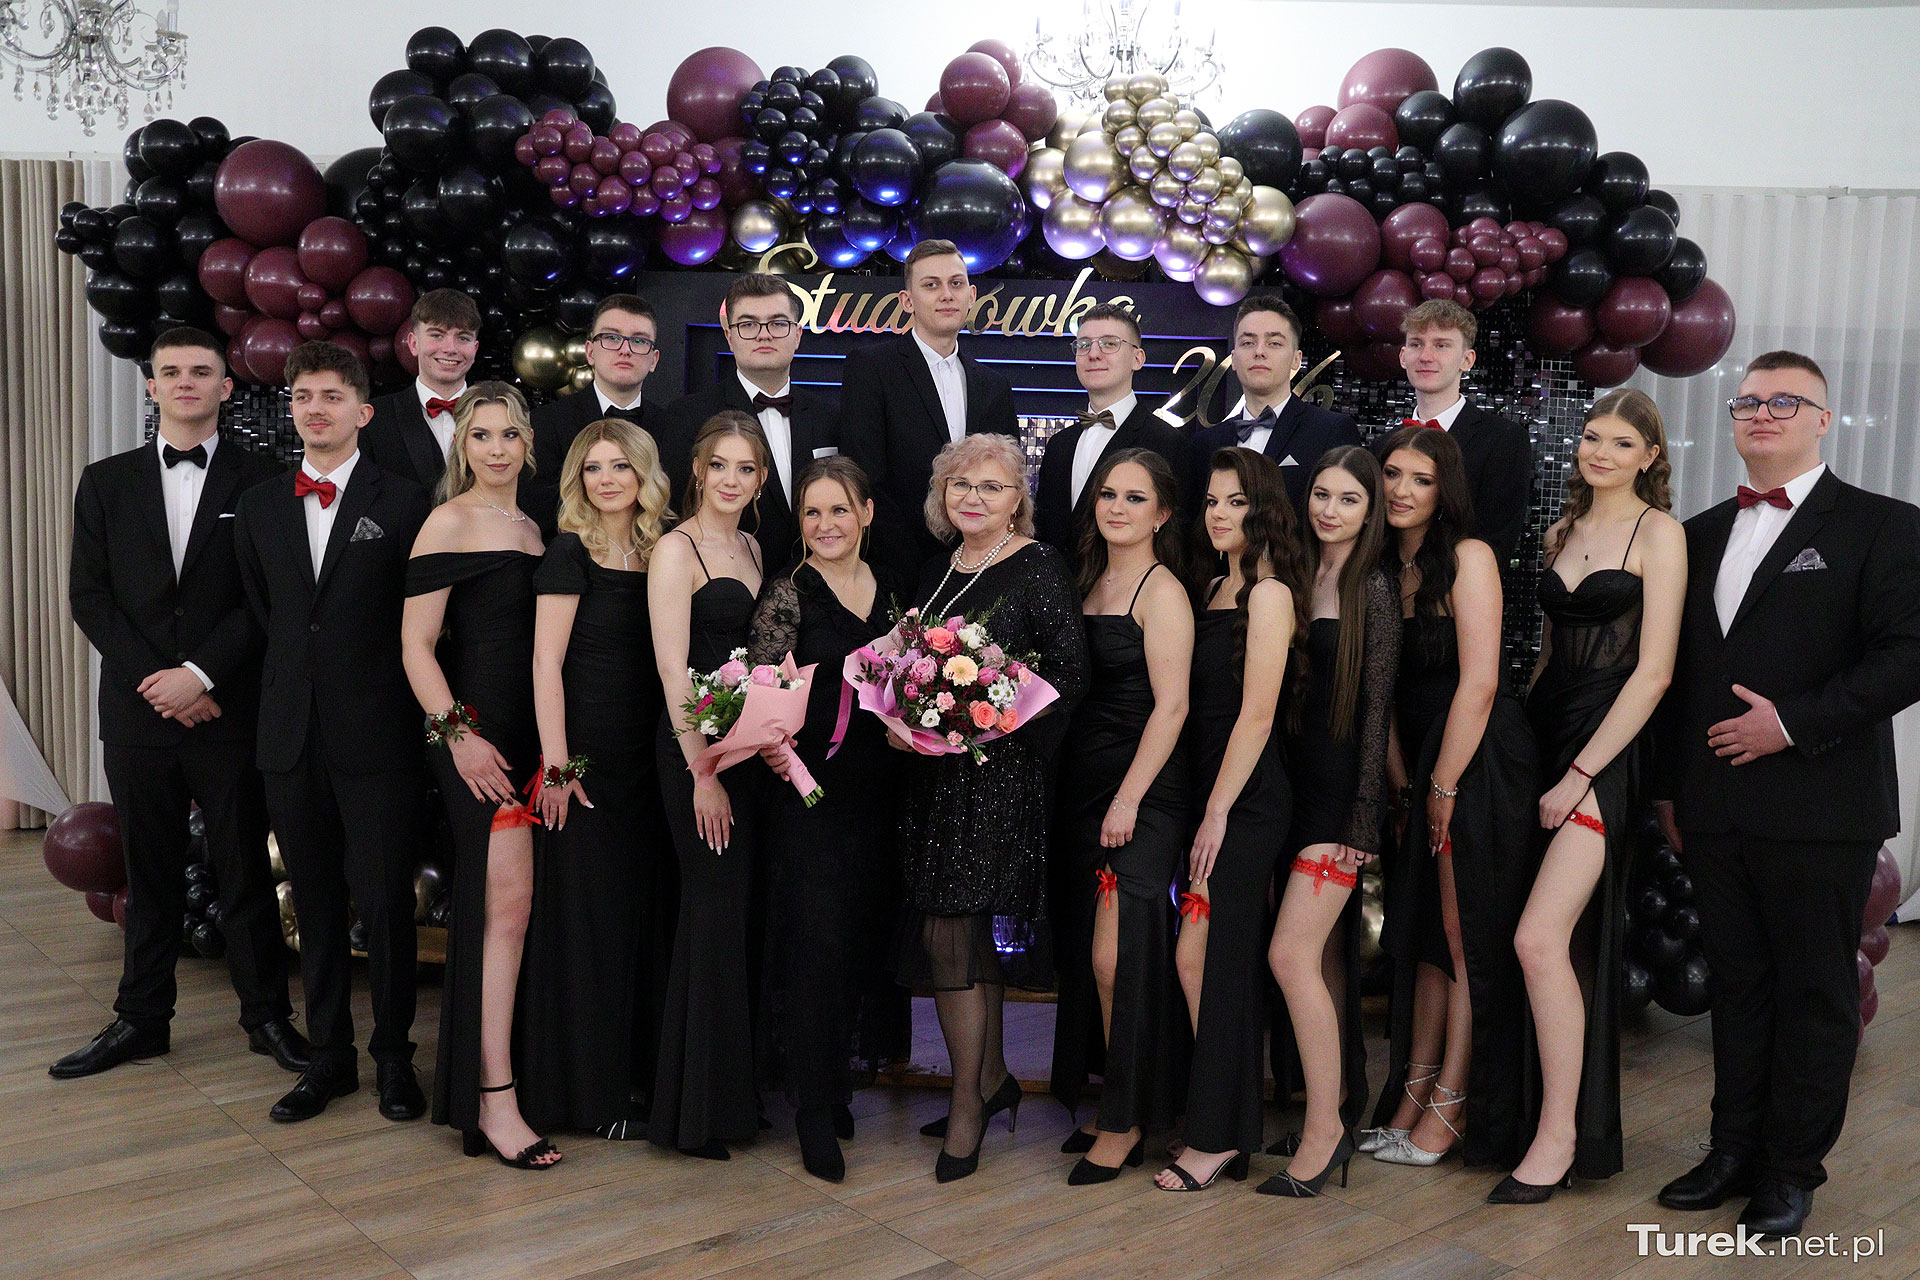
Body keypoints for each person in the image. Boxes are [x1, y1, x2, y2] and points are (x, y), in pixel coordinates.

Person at [1653, 351, 1920, 1240]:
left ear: (1823, 419)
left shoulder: (1884, 525)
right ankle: (1731, 1150)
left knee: (1814, 992)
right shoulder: (1693, 534)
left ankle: (1792, 1169)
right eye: (1748, 402)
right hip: (1713, 806)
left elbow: (1907, 656)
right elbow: (1678, 676)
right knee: (1738, 986)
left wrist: (1793, 725)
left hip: (1820, 804)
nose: (1762, 414)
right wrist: (1670, 791)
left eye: (1784, 401)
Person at [55, 326, 303, 1081]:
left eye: (201, 371)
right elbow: (90, 599)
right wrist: (163, 683)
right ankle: (141, 1018)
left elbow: (269, 597)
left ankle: (267, 1017)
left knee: (244, 869)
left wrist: (199, 675)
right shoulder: (105, 481)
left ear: (226, 388)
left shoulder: (266, 479)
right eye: (172, 372)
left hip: (229, 709)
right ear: (152, 386)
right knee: (149, 869)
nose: (186, 382)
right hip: (139, 712)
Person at [232, 342, 430, 1124]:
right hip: (289, 735)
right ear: (291, 408)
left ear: (363, 411)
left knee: (384, 904)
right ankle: (330, 1059)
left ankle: (394, 1058)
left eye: (332, 396)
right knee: (311, 904)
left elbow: (419, 623)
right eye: (304, 396)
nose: (316, 409)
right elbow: (269, 616)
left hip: (377, 734)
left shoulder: (406, 502)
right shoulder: (258, 507)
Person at [1499, 391, 1684, 1203]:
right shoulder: (1559, 532)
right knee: (1553, 945)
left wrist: (1579, 773)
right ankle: (1541, 1119)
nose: (1600, 452)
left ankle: (1562, 1134)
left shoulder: (1661, 534)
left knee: (1538, 939)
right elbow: (1548, 658)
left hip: (1608, 748)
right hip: (1545, 733)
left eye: (1621, 443)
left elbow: (1655, 673)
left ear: (1650, 457)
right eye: (1592, 437)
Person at [899, 432, 1089, 1184]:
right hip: (935, 780)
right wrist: (909, 718)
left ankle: (966, 1107)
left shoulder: (1038, 565)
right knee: (963, 931)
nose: (973, 497)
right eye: (960, 485)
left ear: (1018, 501)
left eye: (991, 486)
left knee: (949, 931)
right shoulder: (939, 568)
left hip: (999, 779)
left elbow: (1067, 674)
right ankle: (993, 1078)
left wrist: (986, 724)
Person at [1366, 426, 1536, 1171]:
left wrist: (1442, 786)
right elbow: (1378, 691)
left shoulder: (1470, 556)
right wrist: (1402, 783)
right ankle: (1413, 1093)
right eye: (1391, 474)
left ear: (1446, 491)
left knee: (1463, 935)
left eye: (1421, 479)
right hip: (1418, 767)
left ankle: (1454, 1103)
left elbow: (1482, 682)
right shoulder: (1378, 565)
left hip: (1478, 760)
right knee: (1427, 940)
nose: (1402, 490)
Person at [399, 383, 552, 1168]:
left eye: (509, 435)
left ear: (528, 445)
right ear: (462, 446)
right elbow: (416, 647)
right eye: (481, 435)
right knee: (506, 911)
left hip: (533, 738)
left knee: (515, 913)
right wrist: (457, 737)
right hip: (476, 738)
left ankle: (498, 1085)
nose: (496, 449)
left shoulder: (535, 526)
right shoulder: (448, 520)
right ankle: (493, 1099)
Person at [746, 456, 905, 1183]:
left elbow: (905, 686)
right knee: (815, 945)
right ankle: (812, 1108)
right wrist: (774, 745)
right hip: (810, 794)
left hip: (881, 794)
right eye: (812, 512)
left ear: (866, 513)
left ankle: (837, 1085)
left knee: (857, 942)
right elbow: (760, 690)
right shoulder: (789, 592)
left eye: (839, 509)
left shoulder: (891, 590)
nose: (826, 524)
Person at [1153, 446, 1302, 1194]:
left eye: (1235, 502)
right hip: (1210, 793)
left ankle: (1215, 1136)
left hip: (1245, 800)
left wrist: (1216, 813)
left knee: (1208, 960)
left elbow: (1258, 715)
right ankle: (1229, 1123)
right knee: (1201, 962)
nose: (1218, 514)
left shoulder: (1269, 595)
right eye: (1211, 501)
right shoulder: (1214, 585)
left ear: (1264, 509)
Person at [521, 419, 674, 1143]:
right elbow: (545, 663)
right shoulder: (568, 550)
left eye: (619, 466)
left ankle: (633, 1081)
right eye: (592, 468)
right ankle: (588, 1098)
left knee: (636, 924)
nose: (606, 480)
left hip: (650, 761)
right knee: (587, 929)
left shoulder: (663, 549)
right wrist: (557, 766)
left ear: (644, 474)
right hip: (586, 766)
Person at [1047, 448, 1192, 1185]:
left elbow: (1174, 707)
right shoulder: (1087, 578)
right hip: (1083, 781)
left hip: (1144, 787)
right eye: (1109, 494)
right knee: (1091, 957)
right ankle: (1119, 1101)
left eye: (1136, 498)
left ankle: (1129, 1119)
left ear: (1162, 514)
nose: (1117, 508)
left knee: (1118, 956)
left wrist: (1130, 798)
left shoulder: (1163, 590)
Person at [1260, 446, 1399, 1198]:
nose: (1330, 510)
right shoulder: (1296, 572)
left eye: (1348, 499)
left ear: (1371, 510)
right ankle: (1331, 1107)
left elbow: (1377, 712)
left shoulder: (1372, 584)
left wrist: (1363, 820)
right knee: (1312, 963)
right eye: (1321, 494)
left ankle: (1325, 1134)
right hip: (1289, 791)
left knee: (1291, 957)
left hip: (1338, 801)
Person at [647, 411, 771, 1160]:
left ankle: (731, 1099)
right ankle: (694, 1116)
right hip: (694, 755)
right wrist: (702, 772)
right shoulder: (676, 549)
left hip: (748, 754)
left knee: (734, 914)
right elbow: (672, 670)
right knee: (711, 909)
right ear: (697, 470)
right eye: (719, 465)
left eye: (745, 468)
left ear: (761, 479)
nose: (731, 479)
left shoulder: (753, 546)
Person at [840, 238, 1018, 578]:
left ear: (972, 295)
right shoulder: (870, 368)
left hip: (983, 567)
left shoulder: (994, 386)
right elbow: (864, 478)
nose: (947, 295)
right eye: (931, 285)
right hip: (896, 569)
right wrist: (919, 568)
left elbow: (1008, 483)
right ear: (907, 300)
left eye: (956, 284)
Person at [662, 273, 838, 574]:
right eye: (748, 324)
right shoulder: (688, 417)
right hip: (729, 584)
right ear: (729, 337)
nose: (764, 335)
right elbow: (677, 513)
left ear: (797, 335)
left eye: (778, 323)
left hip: (820, 583)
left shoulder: (831, 417)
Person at [1033, 303, 1185, 564]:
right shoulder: (1059, 445)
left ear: (1138, 358)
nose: (1093, 354)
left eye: (1109, 343)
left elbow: (1177, 541)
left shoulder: (1167, 442)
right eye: (1084, 345)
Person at [1187, 294, 1360, 523]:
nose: (1259, 351)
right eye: (1248, 343)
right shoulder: (1204, 444)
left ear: (1296, 359)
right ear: (1234, 359)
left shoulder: (1331, 431)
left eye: (1274, 343)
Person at [1390, 300, 1532, 566]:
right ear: (1403, 357)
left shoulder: (1504, 440)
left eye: (1441, 345)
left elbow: (1497, 544)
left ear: (1467, 360)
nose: (1426, 356)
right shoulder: (1384, 445)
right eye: (1416, 344)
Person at [528, 294, 673, 534]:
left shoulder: (672, 427)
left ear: (653, 360)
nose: (625, 350)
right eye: (612, 338)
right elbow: (542, 515)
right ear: (590, 352)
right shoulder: (547, 423)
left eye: (639, 341)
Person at [361, 289, 480, 497]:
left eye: (463, 338)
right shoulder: (373, 420)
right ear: (413, 344)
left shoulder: (500, 415)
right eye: (437, 335)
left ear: (475, 348)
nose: (450, 348)